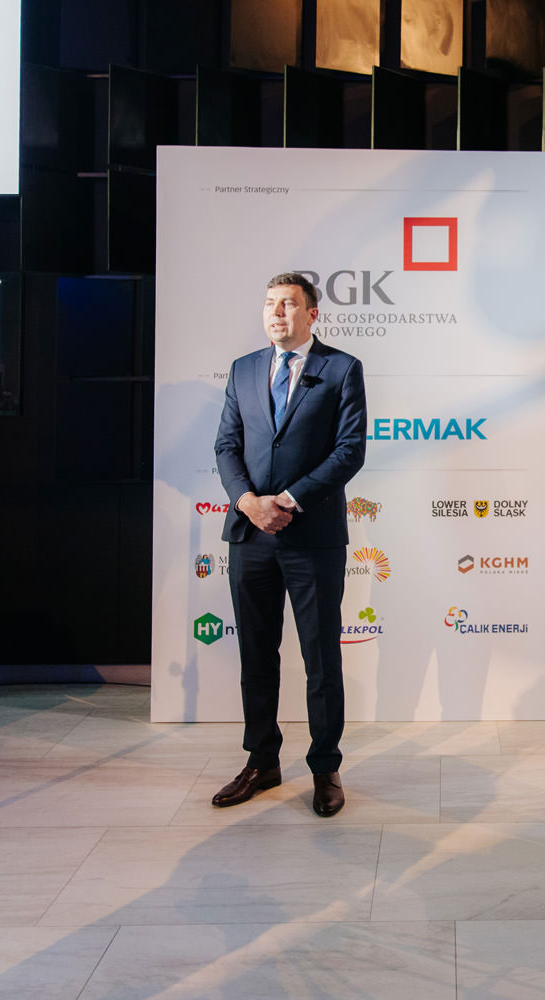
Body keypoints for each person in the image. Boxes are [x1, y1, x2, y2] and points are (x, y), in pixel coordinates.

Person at [212, 272, 367, 817]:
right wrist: (247, 501)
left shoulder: (342, 369)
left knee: (321, 658)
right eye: (270, 304)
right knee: (256, 655)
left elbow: (349, 450)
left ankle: (325, 767)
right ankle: (262, 762)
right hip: (250, 534)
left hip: (312, 538)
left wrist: (289, 500)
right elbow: (226, 446)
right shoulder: (244, 369)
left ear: (312, 314)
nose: (277, 313)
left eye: (288, 304)